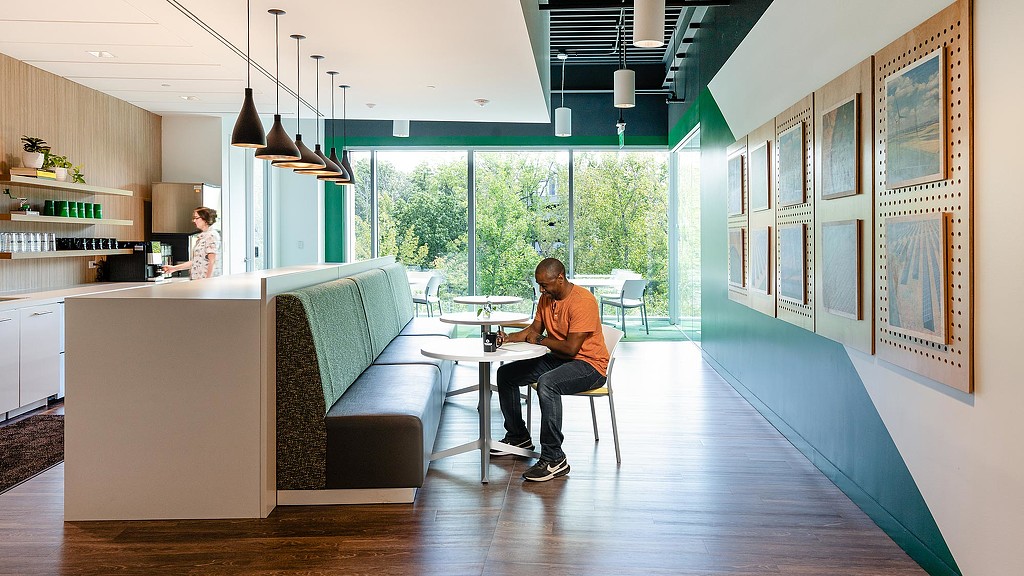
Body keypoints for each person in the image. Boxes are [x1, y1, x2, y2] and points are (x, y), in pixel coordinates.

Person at [494, 257, 609, 482]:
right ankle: (518, 437)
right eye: (539, 285)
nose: (541, 290)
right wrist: (507, 339)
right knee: (506, 374)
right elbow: (533, 330)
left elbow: (570, 348)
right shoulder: (547, 299)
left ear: (560, 278)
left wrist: (540, 340)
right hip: (560, 359)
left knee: (548, 383)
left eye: (544, 285)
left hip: (590, 365)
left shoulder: (583, 301)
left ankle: (554, 457)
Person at [162, 206, 221, 280]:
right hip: (198, 281)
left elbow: (212, 260)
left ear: (205, 219)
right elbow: (196, 262)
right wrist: (174, 268)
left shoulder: (211, 235)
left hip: (205, 282)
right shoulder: (203, 236)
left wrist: (207, 281)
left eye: (196, 218)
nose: (194, 221)